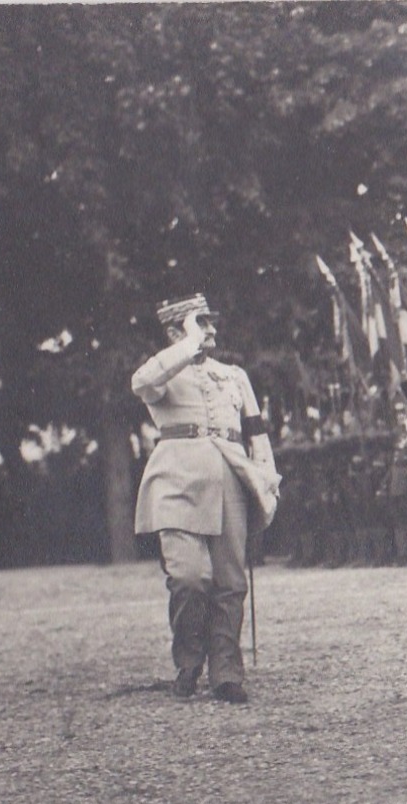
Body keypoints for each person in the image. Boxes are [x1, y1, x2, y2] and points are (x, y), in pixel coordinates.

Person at [133, 294, 281, 704]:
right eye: (201, 322)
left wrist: (266, 477)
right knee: (189, 577)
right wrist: (187, 345)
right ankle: (189, 659)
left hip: (231, 477)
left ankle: (226, 673)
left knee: (231, 581)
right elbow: (141, 383)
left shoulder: (233, 376)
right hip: (175, 482)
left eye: (212, 323)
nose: (212, 330)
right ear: (174, 331)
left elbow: (256, 433)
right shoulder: (164, 371)